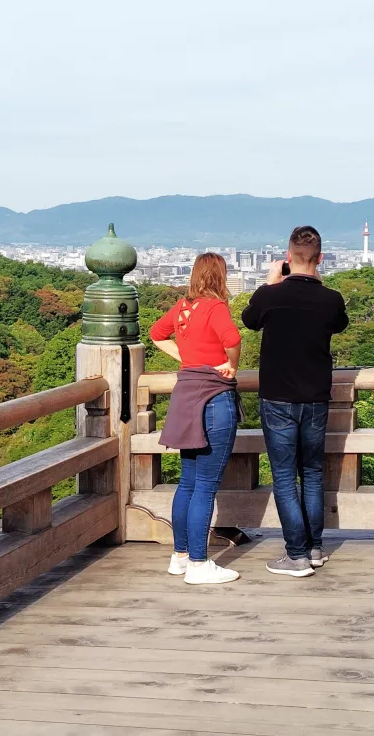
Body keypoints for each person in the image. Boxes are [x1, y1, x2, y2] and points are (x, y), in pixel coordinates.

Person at [242, 226, 348, 578]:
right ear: (320, 258)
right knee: (313, 474)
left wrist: (271, 283)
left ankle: (296, 555)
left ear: (287, 258)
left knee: (285, 477)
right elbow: (339, 325)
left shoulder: (271, 296)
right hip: (316, 397)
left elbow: (249, 320)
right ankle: (315, 548)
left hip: (277, 397)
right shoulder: (331, 299)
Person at [150, 253, 243, 585]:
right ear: (221, 276)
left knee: (187, 483)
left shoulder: (183, 307)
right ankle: (200, 565)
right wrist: (230, 364)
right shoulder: (216, 307)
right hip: (214, 397)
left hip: (185, 396)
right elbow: (233, 339)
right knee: (205, 485)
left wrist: (185, 356)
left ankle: (180, 556)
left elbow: (155, 333)